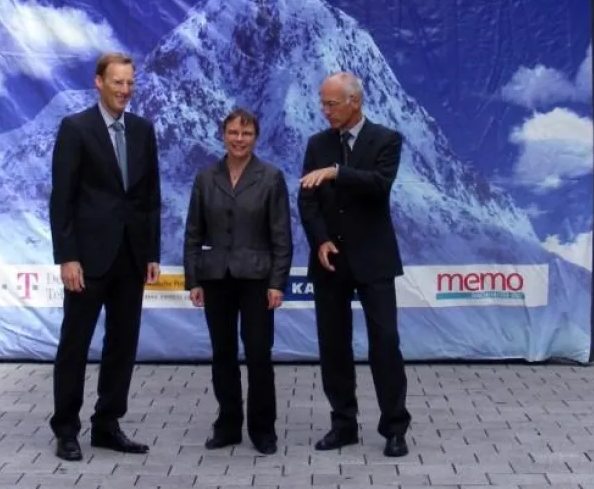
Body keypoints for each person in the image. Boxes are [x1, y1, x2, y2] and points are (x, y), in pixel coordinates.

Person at [49, 52, 161, 462]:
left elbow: (150, 197)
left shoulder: (143, 130)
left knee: (122, 345)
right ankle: (65, 429)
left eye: (130, 83)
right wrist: (67, 256)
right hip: (88, 259)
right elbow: (62, 199)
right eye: (118, 82)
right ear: (99, 82)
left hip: (131, 257)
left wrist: (151, 251)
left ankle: (108, 425)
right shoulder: (76, 129)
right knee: (75, 344)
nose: (125, 91)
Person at [298, 72, 411, 458]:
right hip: (331, 263)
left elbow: (380, 185)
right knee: (333, 346)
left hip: (373, 259)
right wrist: (321, 240)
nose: (325, 111)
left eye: (332, 104)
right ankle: (343, 423)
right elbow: (307, 200)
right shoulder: (317, 144)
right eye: (323, 103)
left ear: (355, 102)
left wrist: (337, 172)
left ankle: (395, 427)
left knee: (385, 343)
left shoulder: (386, 139)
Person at [184, 107, 292, 455]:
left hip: (258, 279)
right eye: (233, 133)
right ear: (223, 135)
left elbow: (282, 237)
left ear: (256, 138)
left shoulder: (271, 177)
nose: (239, 139)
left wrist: (278, 282)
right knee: (223, 354)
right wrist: (193, 280)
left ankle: (263, 430)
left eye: (246, 134)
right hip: (215, 278)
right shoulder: (205, 178)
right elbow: (192, 233)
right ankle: (228, 425)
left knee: (259, 354)